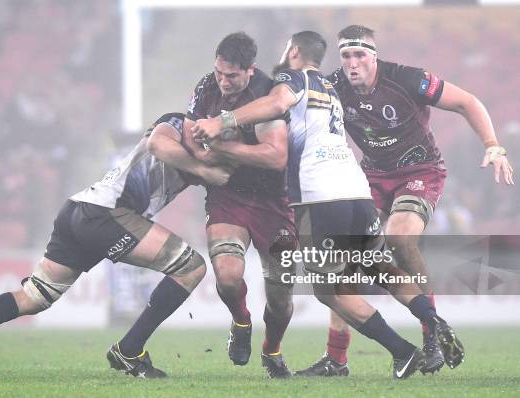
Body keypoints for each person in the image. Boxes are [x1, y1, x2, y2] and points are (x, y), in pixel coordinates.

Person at [192, 31, 463, 379]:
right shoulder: (331, 87)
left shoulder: (293, 77)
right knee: (379, 267)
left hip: (320, 198)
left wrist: (223, 121)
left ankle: (402, 351)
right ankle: (433, 320)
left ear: (293, 50)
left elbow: (276, 105)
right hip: (358, 192)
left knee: (328, 289)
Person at [0, 113, 231, 379]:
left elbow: (223, 173)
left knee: (34, 297)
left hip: (78, 210)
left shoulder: (203, 151)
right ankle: (129, 351)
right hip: (107, 214)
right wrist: (205, 168)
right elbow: (158, 143)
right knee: (191, 268)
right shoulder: (177, 125)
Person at [299, 24, 513, 376]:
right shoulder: (332, 86)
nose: (352, 63)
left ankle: (432, 335)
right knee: (343, 257)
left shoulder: (407, 79)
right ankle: (336, 360)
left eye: (360, 55)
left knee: (400, 237)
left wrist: (493, 145)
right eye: (346, 56)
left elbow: (467, 102)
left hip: (421, 170)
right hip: (369, 175)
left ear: (374, 56)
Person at [150, 32, 297, 379]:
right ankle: (241, 320)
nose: (223, 81)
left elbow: (276, 157)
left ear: (250, 71)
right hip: (228, 196)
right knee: (229, 277)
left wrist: (222, 146)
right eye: (219, 72)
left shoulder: (266, 92)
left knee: (280, 294)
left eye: (231, 75)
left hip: (274, 202)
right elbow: (190, 135)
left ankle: (272, 350)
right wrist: (207, 151)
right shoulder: (206, 87)